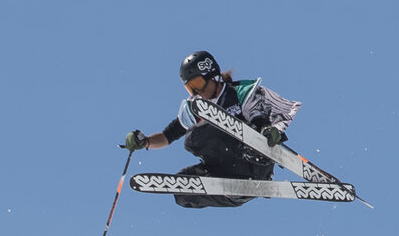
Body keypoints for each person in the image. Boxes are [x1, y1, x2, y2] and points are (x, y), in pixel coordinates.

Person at [120, 51, 304, 209]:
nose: (196, 92)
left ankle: (250, 160)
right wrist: (145, 142)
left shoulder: (239, 92)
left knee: (194, 137)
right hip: (230, 176)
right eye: (190, 88)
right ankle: (230, 190)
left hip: (254, 163)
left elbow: (258, 117)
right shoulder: (195, 107)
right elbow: (169, 135)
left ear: (213, 76)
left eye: (198, 84)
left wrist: (268, 132)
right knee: (182, 190)